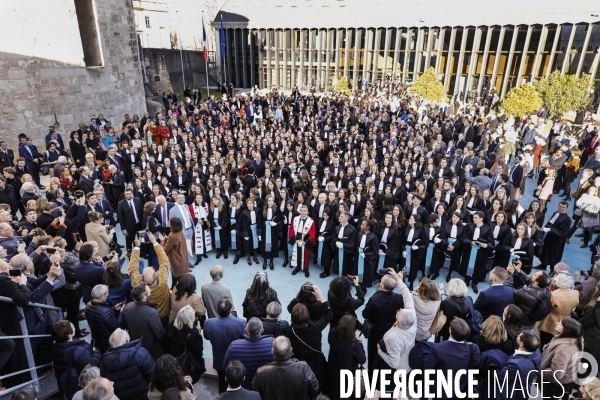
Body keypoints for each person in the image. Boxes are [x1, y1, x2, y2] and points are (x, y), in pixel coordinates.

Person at [286, 286, 332, 391]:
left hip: (298, 359)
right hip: (314, 358)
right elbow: (328, 314)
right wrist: (320, 296)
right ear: (307, 317)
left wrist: (300, 295)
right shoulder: (315, 327)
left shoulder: (289, 330)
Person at [424, 318, 481, 399]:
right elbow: (476, 364)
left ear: (450, 331)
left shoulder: (438, 348)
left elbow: (427, 367)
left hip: (441, 391)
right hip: (462, 388)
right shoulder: (473, 348)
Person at [252, 336, 320, 400]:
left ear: (272, 351)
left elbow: (255, 392)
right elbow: (314, 389)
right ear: (291, 349)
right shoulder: (303, 368)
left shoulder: (262, 373)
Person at [376, 269, 416, 373]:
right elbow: (407, 297)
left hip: (399, 371)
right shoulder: (412, 319)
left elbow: (394, 363)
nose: (399, 309)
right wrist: (398, 279)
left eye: (399, 312)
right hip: (408, 360)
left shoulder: (392, 338)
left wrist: (380, 351)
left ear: (397, 321)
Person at [362, 272, 404, 371]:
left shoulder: (374, 299)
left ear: (382, 285)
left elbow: (365, 315)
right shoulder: (399, 298)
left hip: (375, 333)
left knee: (373, 355)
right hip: (392, 332)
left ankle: (372, 377)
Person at [203, 297, 245, 393]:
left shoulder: (208, 323)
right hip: (235, 360)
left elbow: (206, 336)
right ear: (231, 309)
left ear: (217, 309)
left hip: (220, 360)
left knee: (222, 381)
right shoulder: (241, 323)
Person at [50, 320, 102, 400]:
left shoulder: (55, 346)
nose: (74, 327)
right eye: (72, 326)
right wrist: (96, 351)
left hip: (64, 379)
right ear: (69, 335)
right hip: (78, 382)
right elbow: (92, 363)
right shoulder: (77, 351)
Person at [129, 232, 171, 324]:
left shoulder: (136, 282)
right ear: (156, 274)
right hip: (164, 312)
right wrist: (155, 243)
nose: (152, 267)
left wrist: (137, 247)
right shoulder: (162, 278)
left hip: (147, 316)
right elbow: (164, 261)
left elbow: (132, 267)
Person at [101, 328, 154, 400]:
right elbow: (153, 374)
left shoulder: (105, 362)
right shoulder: (139, 354)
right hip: (144, 395)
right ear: (127, 339)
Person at [223, 317, 274, 390]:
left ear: (246, 330)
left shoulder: (234, 346)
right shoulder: (273, 343)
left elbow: (226, 366)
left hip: (244, 386)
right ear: (262, 330)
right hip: (263, 387)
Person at [539, 318, 583, 400]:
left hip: (554, 385)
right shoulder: (576, 340)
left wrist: (540, 372)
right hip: (566, 381)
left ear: (566, 330)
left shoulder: (563, 349)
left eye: (560, 324)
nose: (556, 323)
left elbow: (557, 373)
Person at [491, 330, 541, 400]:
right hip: (525, 389)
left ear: (521, 344)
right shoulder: (536, 351)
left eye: (519, 336)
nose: (517, 335)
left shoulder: (516, 364)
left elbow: (501, 375)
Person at [121, 282, 166, 360]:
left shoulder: (127, 307)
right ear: (144, 297)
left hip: (134, 345)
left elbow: (125, 326)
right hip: (150, 348)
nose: (151, 291)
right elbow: (160, 333)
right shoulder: (151, 312)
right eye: (148, 291)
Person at [327, 314, 366, 400]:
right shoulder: (354, 343)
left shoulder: (332, 333)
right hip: (348, 372)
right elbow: (362, 359)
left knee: (335, 390)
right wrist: (360, 343)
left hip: (334, 367)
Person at [538, 271, 580, 348]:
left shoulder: (554, 295)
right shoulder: (576, 293)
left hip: (550, 322)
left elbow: (545, 309)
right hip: (566, 321)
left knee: (544, 342)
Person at [164, 305, 205, 383]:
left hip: (173, 364)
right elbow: (199, 351)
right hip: (187, 366)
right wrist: (198, 334)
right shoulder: (192, 335)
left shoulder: (171, 326)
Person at [458, 210, 494, 293]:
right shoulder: (469, 226)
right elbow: (463, 237)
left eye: (475, 218)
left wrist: (486, 245)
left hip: (481, 252)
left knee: (478, 267)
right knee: (467, 264)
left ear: (481, 219)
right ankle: (466, 280)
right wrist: (470, 242)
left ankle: (474, 283)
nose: (473, 219)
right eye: (473, 217)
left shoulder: (488, 229)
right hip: (469, 250)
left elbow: (491, 242)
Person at [84, 284, 124, 353]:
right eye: (106, 294)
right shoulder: (105, 312)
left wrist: (113, 309)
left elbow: (100, 314)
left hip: (97, 340)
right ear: (101, 297)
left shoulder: (88, 306)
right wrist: (121, 313)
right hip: (107, 343)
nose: (108, 295)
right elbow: (117, 328)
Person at [537, 201, 572, 272]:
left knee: (553, 255)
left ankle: (552, 270)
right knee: (545, 251)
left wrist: (551, 229)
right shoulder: (555, 213)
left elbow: (563, 233)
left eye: (563, 207)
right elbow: (550, 223)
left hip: (557, 241)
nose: (561, 208)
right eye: (560, 206)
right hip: (549, 237)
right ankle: (543, 265)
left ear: (567, 208)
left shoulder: (567, 219)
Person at [288, 204, 317, 277]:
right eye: (301, 210)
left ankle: (306, 269)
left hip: (305, 239)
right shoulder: (295, 219)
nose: (303, 212)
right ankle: (297, 267)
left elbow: (312, 234)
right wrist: (295, 240)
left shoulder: (311, 221)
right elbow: (291, 230)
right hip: (297, 238)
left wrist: (305, 242)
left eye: (304, 211)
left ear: (307, 212)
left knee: (306, 255)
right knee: (297, 253)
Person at [352, 219, 379, 291]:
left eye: (363, 225)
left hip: (366, 259)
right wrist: (355, 255)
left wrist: (366, 255)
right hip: (358, 256)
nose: (361, 226)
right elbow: (356, 245)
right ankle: (358, 284)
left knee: (365, 273)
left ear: (368, 227)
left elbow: (375, 252)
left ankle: (364, 288)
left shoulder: (373, 237)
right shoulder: (359, 233)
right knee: (357, 270)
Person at [412, 277, 441, 342]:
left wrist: (415, 291)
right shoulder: (438, 300)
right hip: (426, 334)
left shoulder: (414, 299)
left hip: (414, 333)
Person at [163, 216, 190, 285]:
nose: (168, 223)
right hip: (182, 257)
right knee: (179, 276)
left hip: (176, 259)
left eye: (169, 222)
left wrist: (162, 241)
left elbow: (165, 249)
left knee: (177, 276)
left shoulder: (172, 235)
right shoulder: (181, 232)